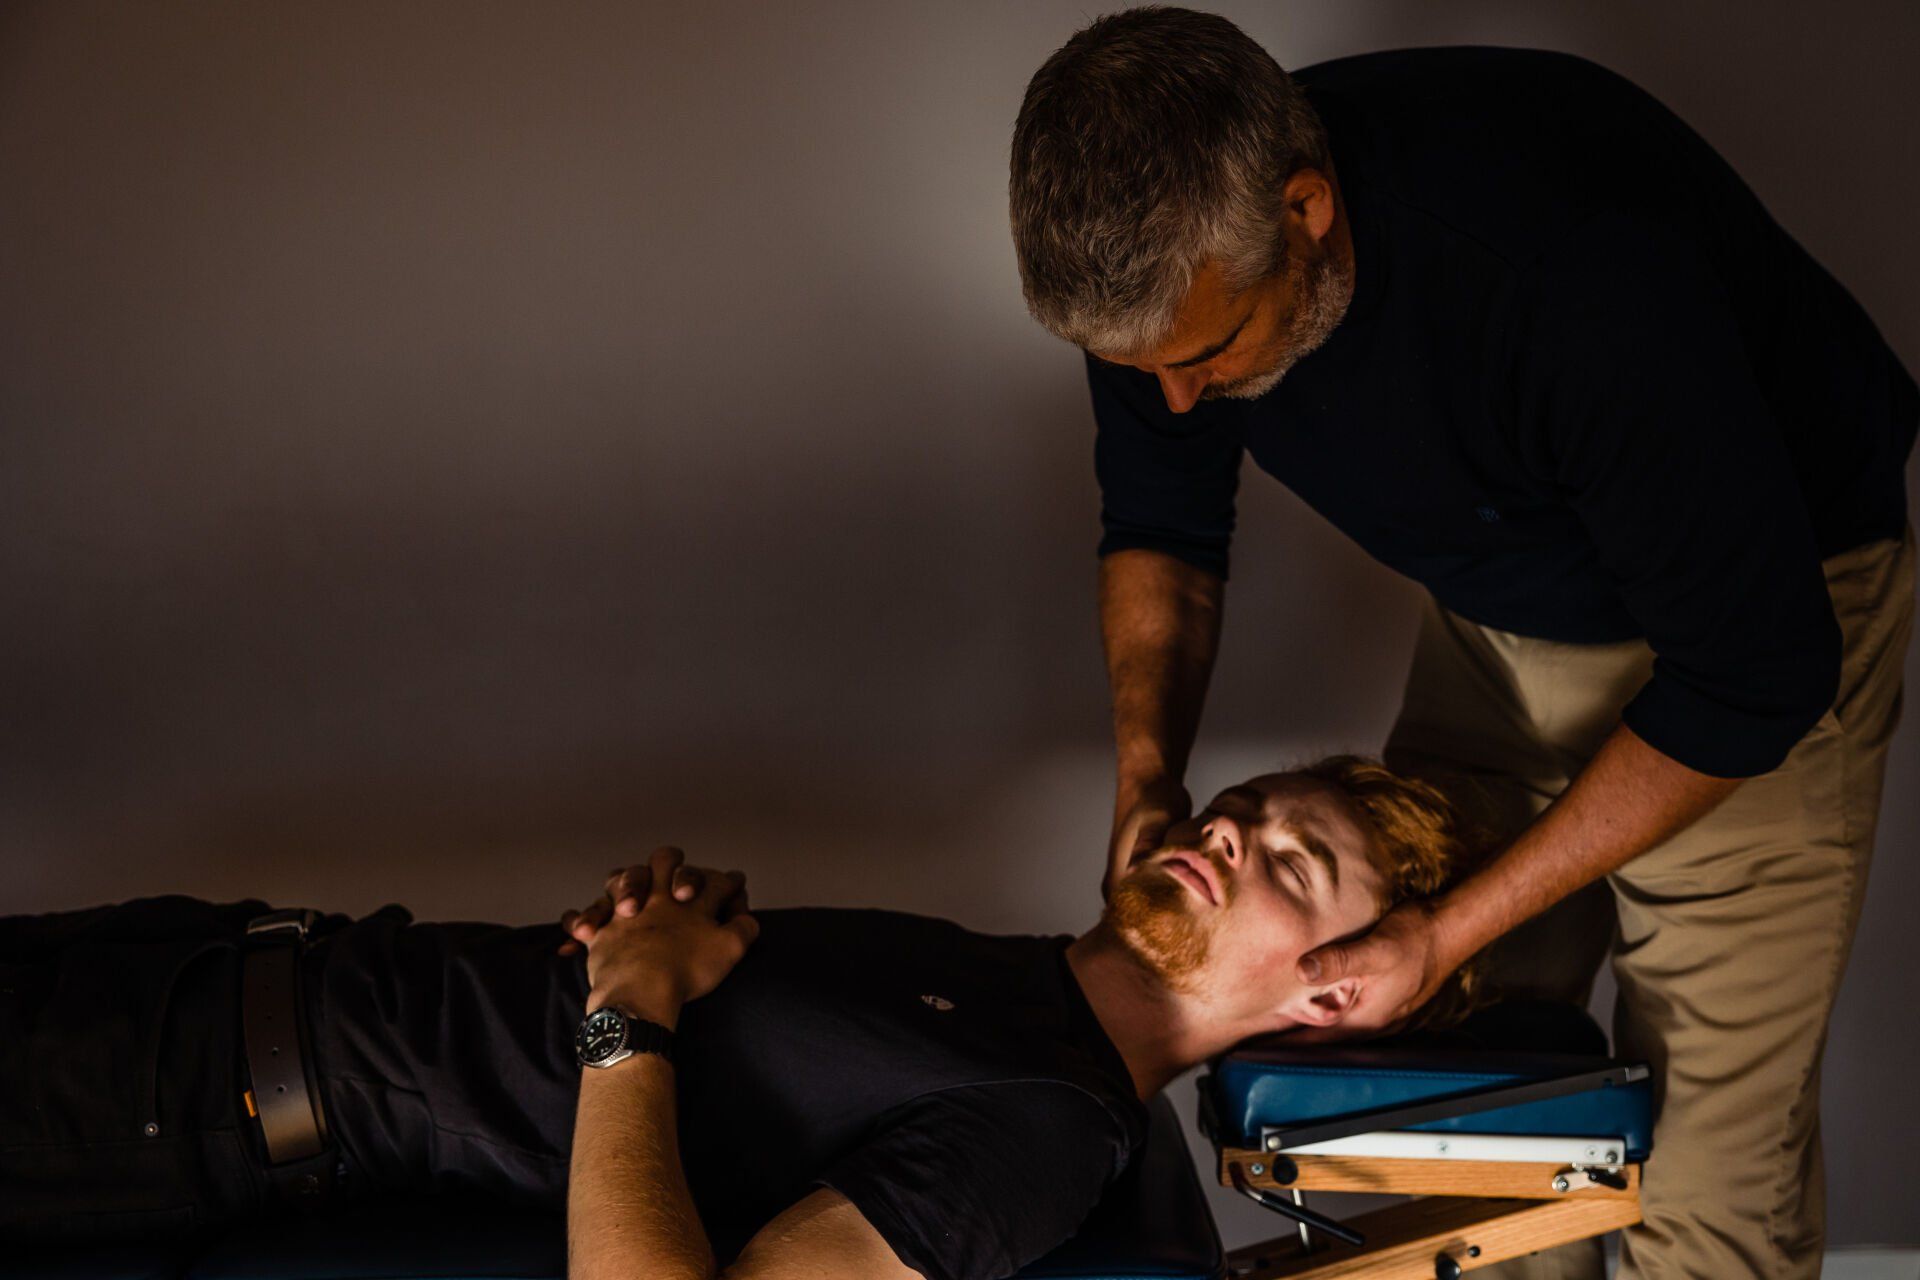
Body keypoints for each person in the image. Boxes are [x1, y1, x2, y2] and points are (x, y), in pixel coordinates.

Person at [1007, 10, 1917, 1279]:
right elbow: (1161, 518)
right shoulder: (1165, 264)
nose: (1174, 398)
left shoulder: (1565, 275)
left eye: (1206, 355)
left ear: (1307, 210)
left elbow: (1752, 677)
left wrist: (1441, 933)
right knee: (1446, 1122)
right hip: (1504, 619)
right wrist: (1148, 770)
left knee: (1711, 1187)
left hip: (1758, 622)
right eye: (1136, 366)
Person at [3, 757, 1481, 1280]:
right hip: (203, 964)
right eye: (1239, 812)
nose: (1225, 835)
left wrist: (626, 1012)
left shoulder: (1047, 1129)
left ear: (1335, 990)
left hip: (176, 1099)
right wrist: (655, 938)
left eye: (1289, 861)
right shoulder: (1010, 975)